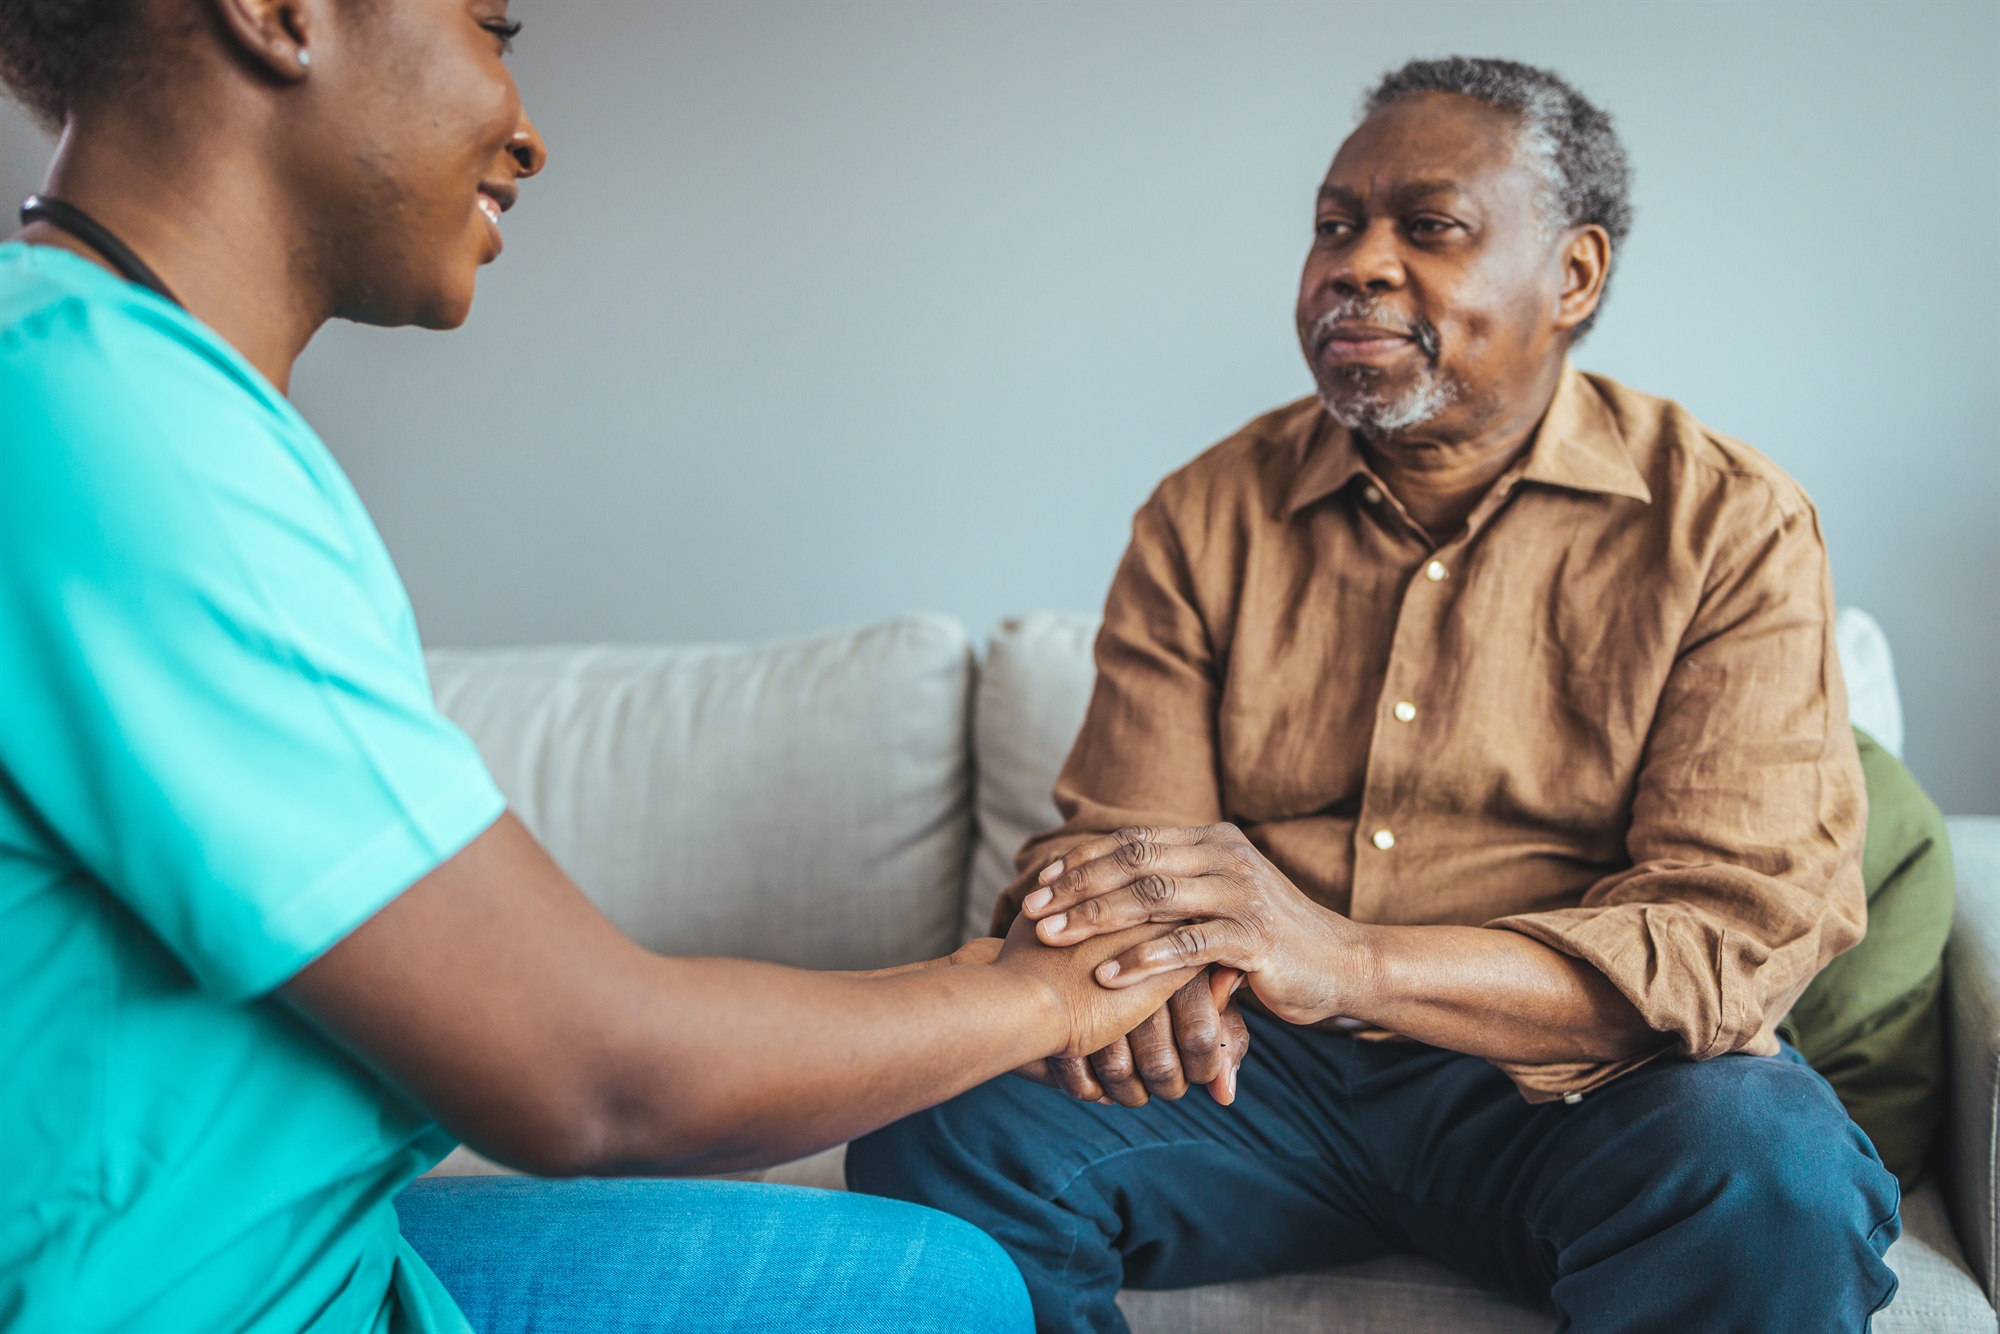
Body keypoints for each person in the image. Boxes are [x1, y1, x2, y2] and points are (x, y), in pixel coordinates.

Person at [0, 2, 1204, 1332]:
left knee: (945, 1278)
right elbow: (594, 1072)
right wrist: (1051, 989)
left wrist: (1004, 978)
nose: (528, 134)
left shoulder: (122, 391)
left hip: (312, 1246)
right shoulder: (103, 423)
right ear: (281, 14)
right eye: (494, 27)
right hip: (180, 1300)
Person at [848, 56, 1904, 1332]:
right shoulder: (1203, 513)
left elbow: (1728, 936)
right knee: (939, 1124)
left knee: (1772, 1172)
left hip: (1572, 1085)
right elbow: (1122, 854)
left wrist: (1343, 959)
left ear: (1572, 274)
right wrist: (1138, 958)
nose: (1355, 262)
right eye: (1334, 224)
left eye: (1428, 227)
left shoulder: (1728, 525)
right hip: (1252, 1080)